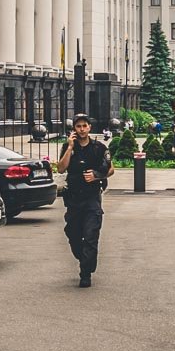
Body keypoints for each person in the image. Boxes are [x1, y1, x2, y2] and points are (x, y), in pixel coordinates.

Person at [57, 114, 114, 288]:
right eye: (78, 126)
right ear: (74, 129)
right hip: (74, 199)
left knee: (90, 235)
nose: (81, 129)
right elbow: (60, 169)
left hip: (91, 199)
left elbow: (111, 169)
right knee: (73, 235)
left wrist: (97, 176)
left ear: (89, 127)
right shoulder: (69, 146)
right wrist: (70, 148)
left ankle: (85, 272)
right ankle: (85, 259)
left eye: (84, 126)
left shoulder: (98, 148)